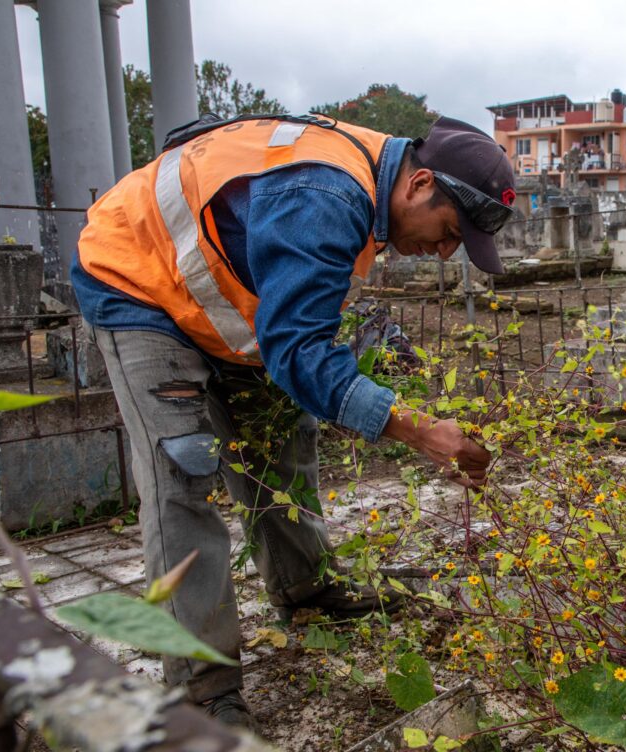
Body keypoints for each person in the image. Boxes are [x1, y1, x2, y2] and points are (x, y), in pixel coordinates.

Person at [71, 114, 516, 731]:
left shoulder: (361, 189)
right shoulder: (325, 195)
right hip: (138, 282)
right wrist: (418, 429)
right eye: (448, 232)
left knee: (281, 435)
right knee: (182, 470)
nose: (444, 252)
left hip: (221, 298)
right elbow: (301, 352)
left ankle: (305, 591)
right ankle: (202, 691)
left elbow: (294, 342)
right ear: (417, 185)